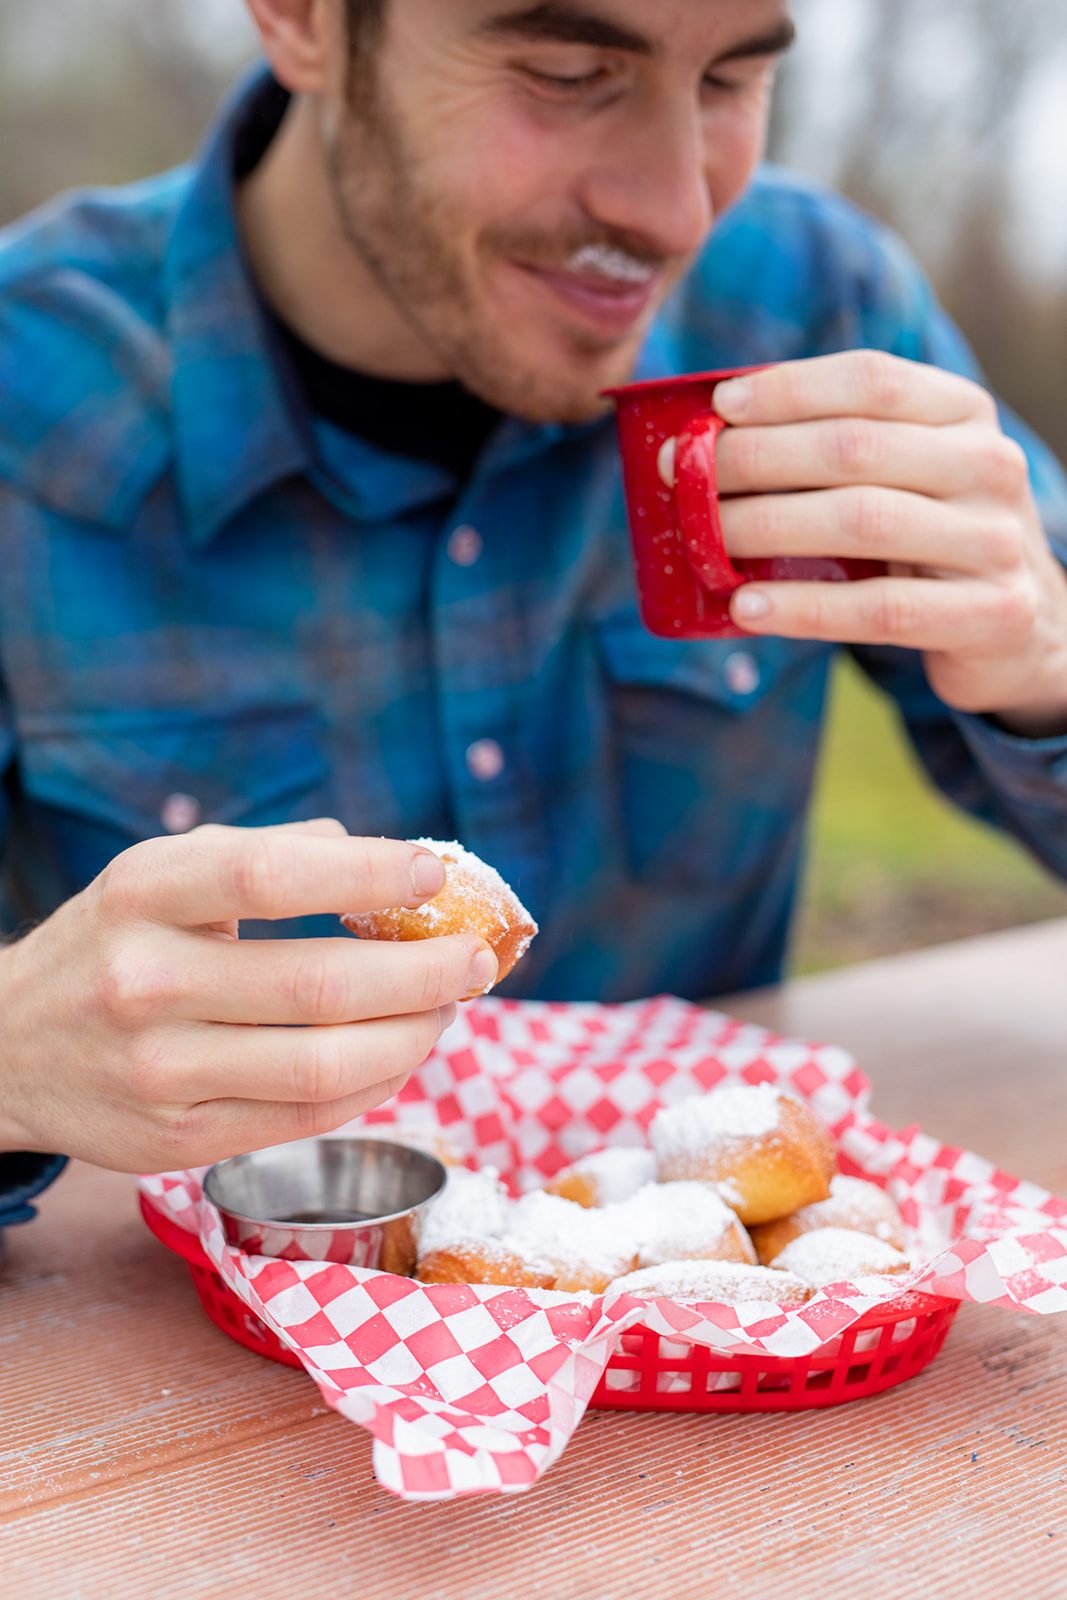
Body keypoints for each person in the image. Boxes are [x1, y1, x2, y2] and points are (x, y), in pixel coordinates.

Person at [2, 0, 1067, 1237]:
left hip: (743, 1397)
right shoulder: (28, 387)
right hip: (175, 1381)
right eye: (568, 73)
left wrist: (1045, 666)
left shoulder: (810, 304)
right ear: (300, 18)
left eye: (729, 79)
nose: (677, 211)